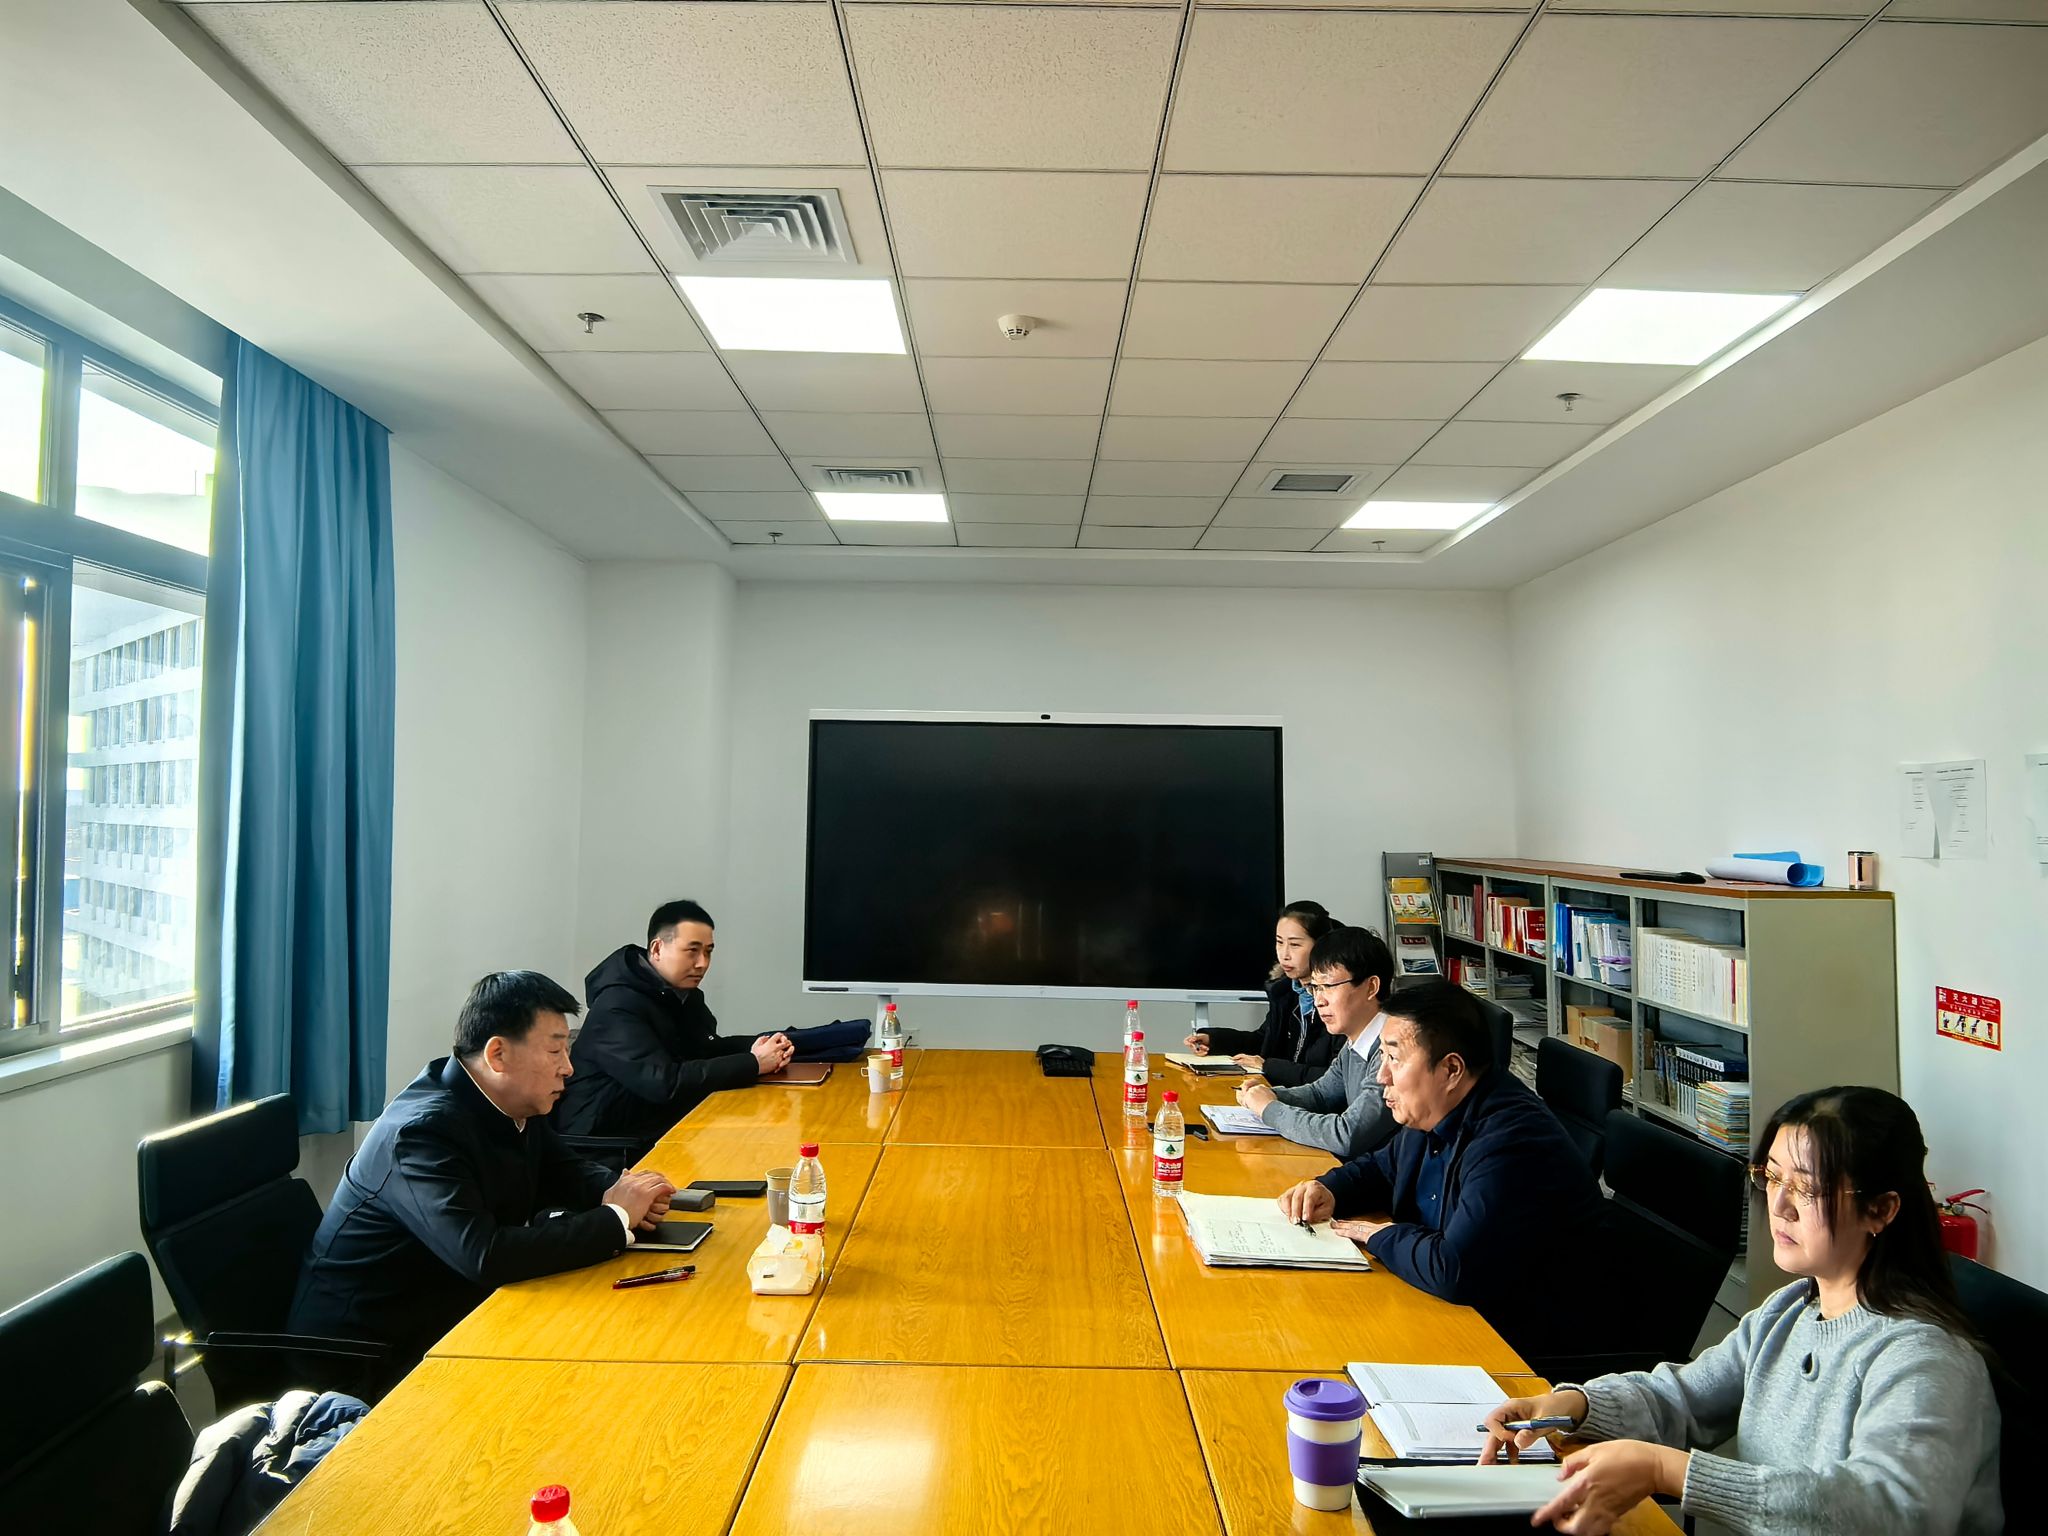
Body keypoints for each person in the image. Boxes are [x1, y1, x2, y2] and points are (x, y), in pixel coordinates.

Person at [1478, 1086, 2002, 1536]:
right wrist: (1573, 1404)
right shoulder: (1790, 1309)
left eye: (1807, 1188)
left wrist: (1671, 1471)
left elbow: (1893, 1512)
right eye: (1772, 1177)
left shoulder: (1926, 1359)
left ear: (1881, 1209)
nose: (1779, 1205)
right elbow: (1683, 1397)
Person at [289, 971, 676, 1379]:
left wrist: (622, 1192)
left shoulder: (508, 1101)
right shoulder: (421, 1133)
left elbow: (565, 1171)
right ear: (498, 1054)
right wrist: (616, 1218)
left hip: (450, 1311)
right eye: (555, 1051)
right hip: (367, 1355)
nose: (568, 1068)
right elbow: (485, 1255)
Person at [1277, 978, 1602, 1362]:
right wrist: (1329, 1189)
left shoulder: (1511, 1140)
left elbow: (1454, 1269)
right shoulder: (1435, 1109)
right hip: (1446, 1313)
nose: (1382, 1076)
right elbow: (1382, 1167)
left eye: (1394, 1059)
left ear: (1450, 1069)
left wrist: (1382, 1236)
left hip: (1520, 1346)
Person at [552, 899, 795, 1142]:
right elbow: (664, 1083)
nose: (702, 963)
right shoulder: (616, 1006)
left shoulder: (679, 995)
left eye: (708, 951)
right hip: (606, 1144)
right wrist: (753, 1063)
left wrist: (764, 1047)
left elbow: (705, 1049)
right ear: (657, 949)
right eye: (692, 951)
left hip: (662, 1126)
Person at [1231, 925, 1398, 1159]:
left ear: (1371, 987)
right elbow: (1321, 1095)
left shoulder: (1392, 1052)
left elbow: (1346, 1135)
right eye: (1315, 988)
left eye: (1328, 987)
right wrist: (1266, 1095)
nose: (1319, 1001)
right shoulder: (1355, 1043)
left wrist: (1270, 1108)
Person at [1183, 899, 1344, 1087]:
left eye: (1294, 945)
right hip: (1279, 1093)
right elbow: (1264, 1041)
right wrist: (1214, 1041)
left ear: (1320, 947)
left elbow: (1335, 1079)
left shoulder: (1337, 1001)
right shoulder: (1286, 992)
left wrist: (1268, 1066)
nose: (1284, 954)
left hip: (1307, 1099)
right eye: (1279, 942)